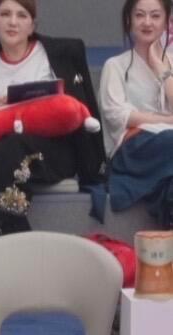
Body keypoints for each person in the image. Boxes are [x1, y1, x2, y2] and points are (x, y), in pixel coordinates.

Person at [0, 0, 106, 265]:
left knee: (13, 148)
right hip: (4, 150)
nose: (13, 22)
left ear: (32, 25)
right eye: (5, 14)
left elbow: (76, 106)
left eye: (22, 15)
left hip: (56, 151)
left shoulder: (61, 53)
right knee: (10, 151)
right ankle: (31, 263)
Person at [99, 0, 173, 227]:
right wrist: (167, 120)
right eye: (140, 15)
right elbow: (118, 115)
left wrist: (162, 71)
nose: (147, 22)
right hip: (134, 149)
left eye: (155, 16)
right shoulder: (115, 65)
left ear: (166, 22)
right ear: (129, 19)